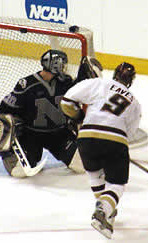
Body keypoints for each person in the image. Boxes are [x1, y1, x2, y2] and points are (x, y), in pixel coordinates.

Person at [60, 62, 141, 239]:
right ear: (131, 81)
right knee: (117, 184)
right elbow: (130, 133)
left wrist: (80, 118)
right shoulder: (134, 102)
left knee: (94, 175)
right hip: (115, 140)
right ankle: (104, 210)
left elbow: (66, 102)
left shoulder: (98, 83)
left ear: (115, 75)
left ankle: (106, 211)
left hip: (86, 137)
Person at [0, 50, 101, 178]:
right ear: (54, 65)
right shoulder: (27, 85)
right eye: (62, 65)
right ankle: (10, 155)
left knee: (84, 166)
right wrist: (12, 129)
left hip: (59, 135)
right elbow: (5, 109)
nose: (64, 68)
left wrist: (85, 79)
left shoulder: (65, 82)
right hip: (31, 135)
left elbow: (79, 93)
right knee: (19, 172)